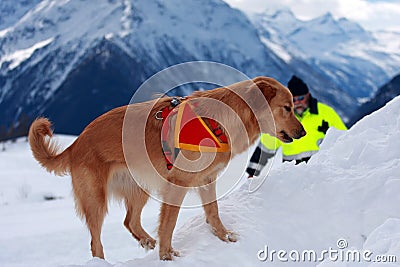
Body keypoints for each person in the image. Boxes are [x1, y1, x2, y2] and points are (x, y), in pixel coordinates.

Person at [246, 75, 347, 177]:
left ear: (308, 95)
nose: (297, 102)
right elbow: (265, 149)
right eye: (294, 99)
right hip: (292, 175)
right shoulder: (282, 119)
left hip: (321, 172)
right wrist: (252, 173)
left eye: (301, 98)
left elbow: (345, 140)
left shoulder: (326, 113)